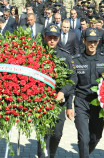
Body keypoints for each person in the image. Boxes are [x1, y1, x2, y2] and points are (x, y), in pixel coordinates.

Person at [37, 24, 76, 158]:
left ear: (58, 39)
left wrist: (63, 93)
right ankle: (43, 155)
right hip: (40, 102)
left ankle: (51, 154)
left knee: (57, 134)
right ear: (44, 37)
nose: (52, 41)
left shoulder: (65, 56)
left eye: (55, 38)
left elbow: (72, 78)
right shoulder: (37, 54)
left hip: (59, 102)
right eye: (49, 38)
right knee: (43, 132)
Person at [72, 28, 104, 157]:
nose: (92, 44)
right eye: (90, 41)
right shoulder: (76, 60)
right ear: (84, 41)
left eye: (95, 42)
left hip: (98, 104)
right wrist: (68, 106)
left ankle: (85, 154)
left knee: (96, 136)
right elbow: (71, 84)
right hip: (81, 102)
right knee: (83, 138)